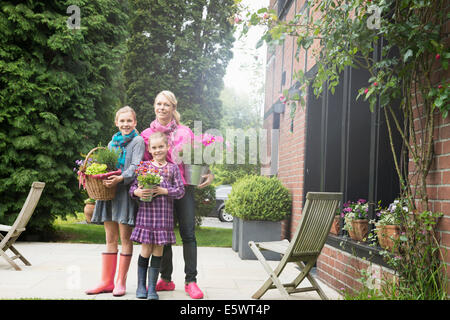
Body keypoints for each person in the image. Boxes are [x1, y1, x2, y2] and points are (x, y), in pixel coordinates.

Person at [140, 90, 214, 299]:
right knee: (163, 235)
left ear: (174, 108)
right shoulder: (146, 135)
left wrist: (209, 171)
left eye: (166, 104)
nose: (162, 108)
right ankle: (165, 279)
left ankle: (191, 281)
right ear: (155, 106)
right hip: (159, 192)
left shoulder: (184, 132)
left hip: (183, 188)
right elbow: (143, 165)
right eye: (159, 104)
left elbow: (197, 158)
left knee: (188, 234)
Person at [85, 106, 145, 297]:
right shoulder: (111, 143)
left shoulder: (138, 141)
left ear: (135, 123)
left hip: (124, 194)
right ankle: (106, 282)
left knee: (125, 239)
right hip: (109, 194)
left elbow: (136, 167)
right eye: (122, 121)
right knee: (110, 239)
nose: (125, 124)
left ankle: (121, 282)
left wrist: (120, 178)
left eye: (129, 121)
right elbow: (107, 166)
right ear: (116, 123)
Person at [129, 131, 185, 300]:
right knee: (145, 250)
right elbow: (132, 189)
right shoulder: (144, 167)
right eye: (154, 147)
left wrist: (164, 190)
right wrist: (139, 192)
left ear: (167, 147)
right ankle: (141, 286)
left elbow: (181, 191)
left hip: (163, 217)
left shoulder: (172, 168)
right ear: (149, 149)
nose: (158, 150)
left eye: (161, 146)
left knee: (158, 250)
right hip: (146, 216)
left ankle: (152, 288)